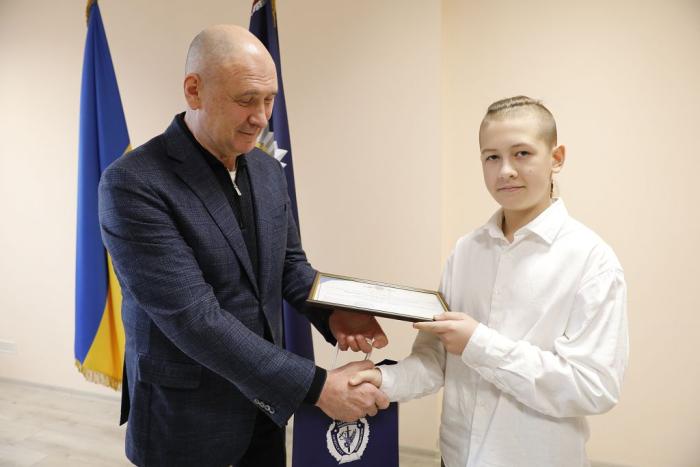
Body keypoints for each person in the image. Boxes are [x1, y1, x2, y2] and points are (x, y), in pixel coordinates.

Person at [98, 25, 389, 467]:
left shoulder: (267, 171)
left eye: (269, 100)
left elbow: (289, 266)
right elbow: (194, 318)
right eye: (246, 100)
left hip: (265, 410)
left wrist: (332, 312)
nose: (261, 118)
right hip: (185, 419)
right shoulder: (134, 183)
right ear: (194, 90)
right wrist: (317, 387)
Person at [351, 96, 629, 467]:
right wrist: (381, 381)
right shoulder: (466, 251)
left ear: (557, 158)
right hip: (455, 457)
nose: (505, 170)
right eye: (492, 157)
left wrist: (480, 345)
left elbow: (594, 387)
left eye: (522, 153)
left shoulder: (592, 260)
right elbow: (435, 360)